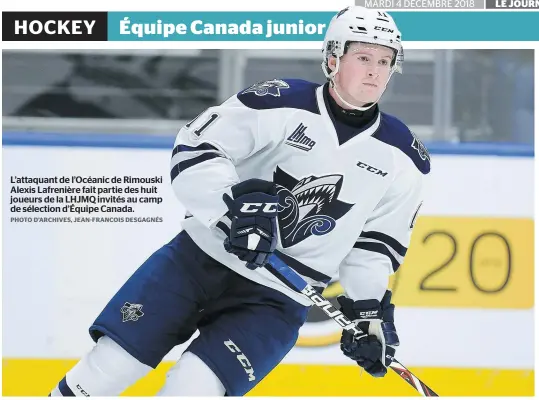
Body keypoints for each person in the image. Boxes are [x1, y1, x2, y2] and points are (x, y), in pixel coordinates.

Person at [49, 6, 430, 397]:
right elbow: (196, 149)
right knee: (107, 369)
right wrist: (231, 211)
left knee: (192, 390)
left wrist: (368, 315)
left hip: (275, 300)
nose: (374, 71)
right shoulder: (278, 101)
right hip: (195, 262)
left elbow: (372, 248)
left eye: (385, 61)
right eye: (363, 58)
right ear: (332, 58)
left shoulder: (404, 157)